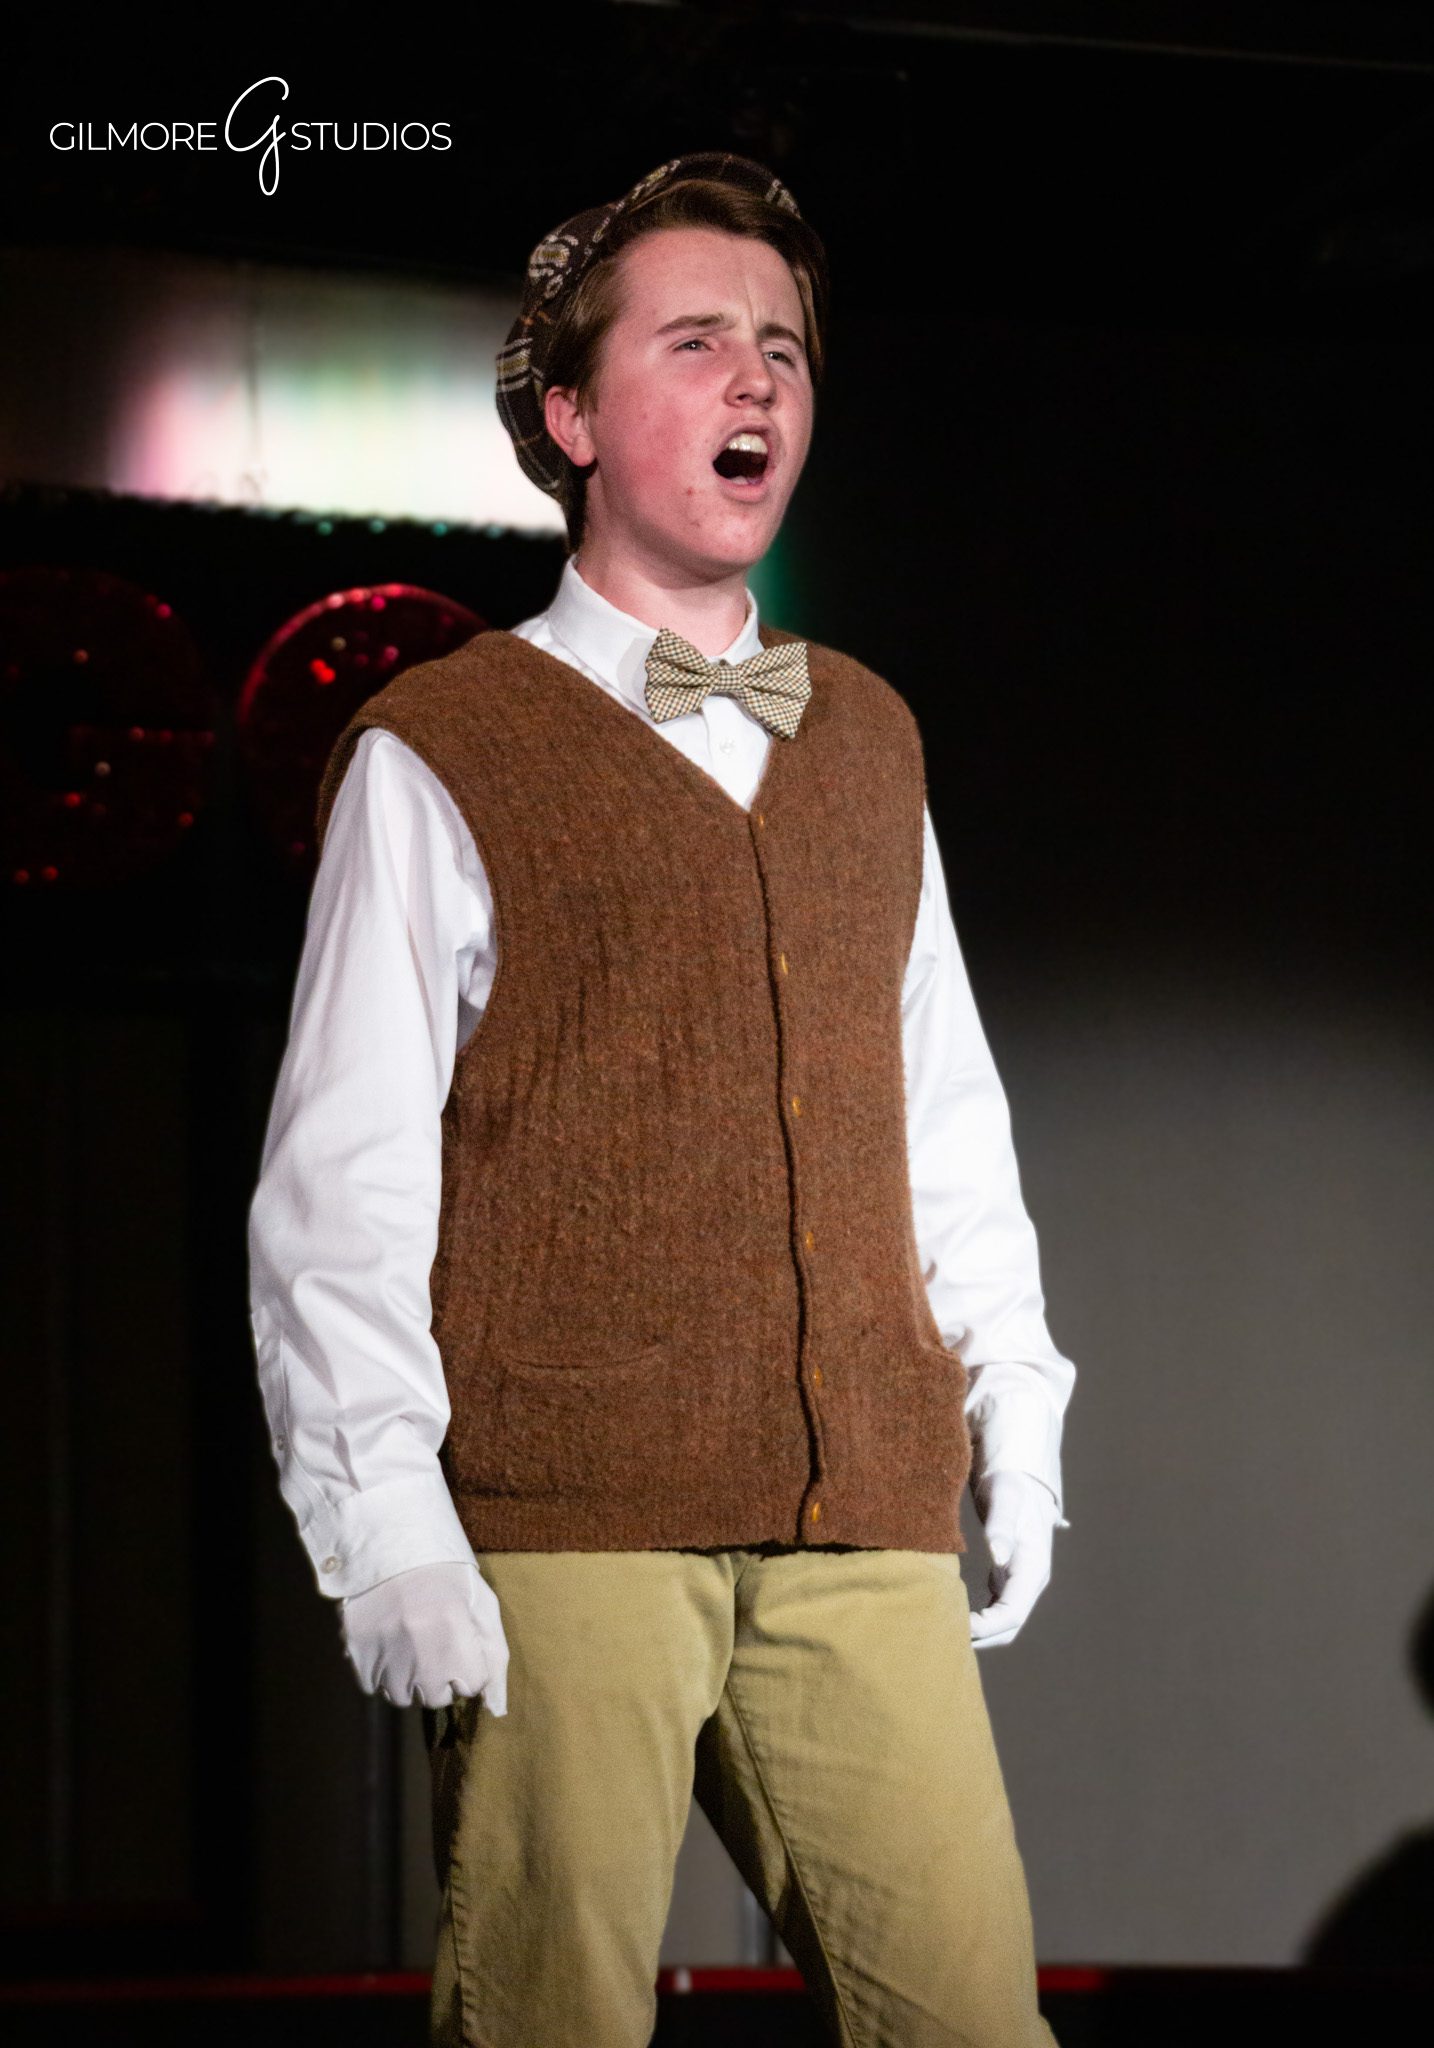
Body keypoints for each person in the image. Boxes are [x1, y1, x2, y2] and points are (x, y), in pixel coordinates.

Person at [248, 150, 1075, 2048]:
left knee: (968, 2025)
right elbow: (341, 1178)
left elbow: (940, 1108)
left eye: (781, 347)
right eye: (696, 342)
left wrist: (1008, 1404)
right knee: (549, 2026)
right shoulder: (442, 744)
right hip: (568, 1517)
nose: (757, 383)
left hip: (857, 1502)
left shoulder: (864, 733)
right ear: (570, 415)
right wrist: (381, 1517)